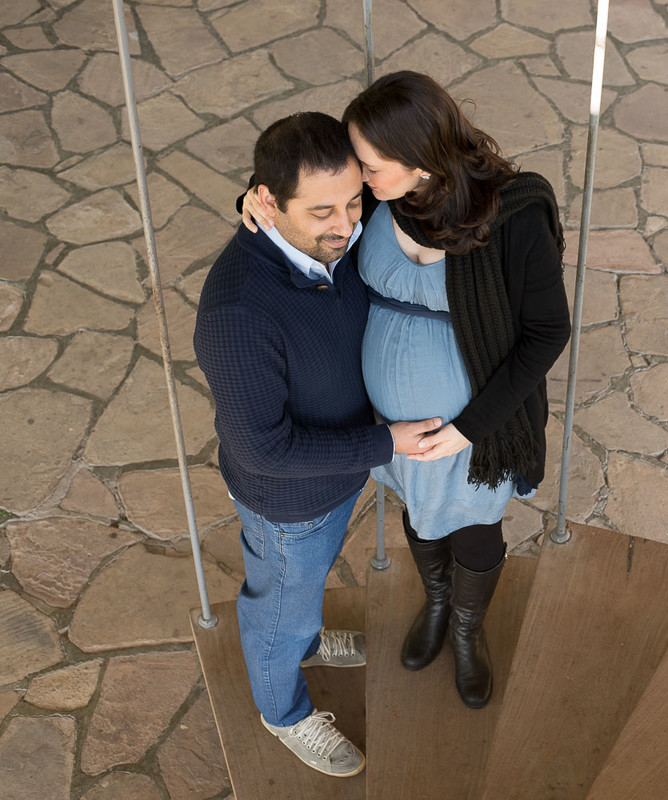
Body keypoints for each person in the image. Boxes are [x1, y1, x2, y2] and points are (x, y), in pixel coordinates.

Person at [243, 72, 571, 709]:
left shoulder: (512, 214)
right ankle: (437, 602)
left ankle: (468, 631)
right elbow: (310, 193)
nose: (358, 180)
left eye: (369, 165)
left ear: (420, 158)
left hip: (478, 425)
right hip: (390, 423)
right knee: (420, 515)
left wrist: (468, 428)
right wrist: (253, 202)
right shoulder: (376, 202)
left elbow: (546, 332)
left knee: (474, 529)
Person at [195, 112, 442, 777]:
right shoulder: (237, 312)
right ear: (268, 202)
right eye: (323, 211)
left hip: (334, 480)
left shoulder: (337, 236)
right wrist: (384, 443)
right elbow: (263, 450)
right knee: (279, 604)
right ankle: (282, 711)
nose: (346, 225)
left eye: (353, 201)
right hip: (288, 502)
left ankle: (303, 636)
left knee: (300, 591)